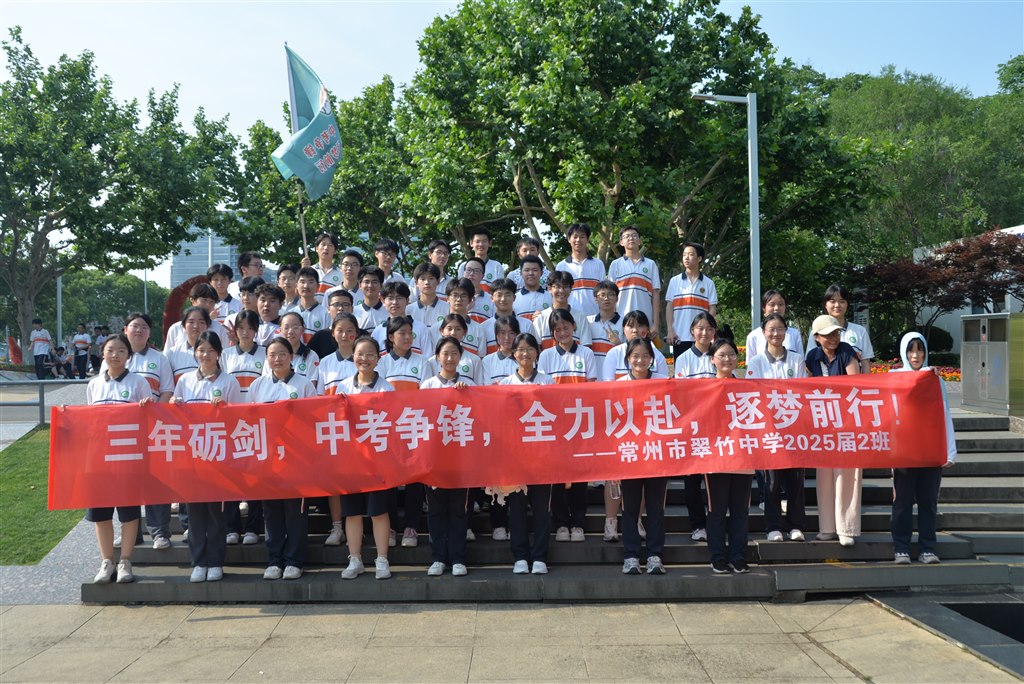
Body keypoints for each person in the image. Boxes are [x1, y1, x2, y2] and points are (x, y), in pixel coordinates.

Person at [172, 331, 242, 582]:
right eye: (201, 350)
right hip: (192, 457)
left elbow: (238, 420)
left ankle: (215, 561)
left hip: (218, 457)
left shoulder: (229, 382)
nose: (206, 355)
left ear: (219, 354)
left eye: (211, 351)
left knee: (216, 513)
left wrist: (224, 409)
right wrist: (173, 405)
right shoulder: (185, 380)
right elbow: (176, 417)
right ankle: (198, 561)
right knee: (195, 514)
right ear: (195, 353)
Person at [86, 333, 153, 584]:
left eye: (121, 351)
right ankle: (107, 561)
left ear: (129, 356)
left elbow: (149, 419)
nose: (115, 355)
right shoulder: (94, 384)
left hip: (127, 458)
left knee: (128, 513)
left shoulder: (138, 383)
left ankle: (125, 560)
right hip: (99, 459)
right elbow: (89, 420)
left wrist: (147, 408)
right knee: (101, 514)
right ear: (102, 353)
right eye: (110, 350)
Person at [249, 337, 318, 580]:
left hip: (296, 459)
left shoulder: (304, 385)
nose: (277, 359)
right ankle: (275, 559)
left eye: (282, 354)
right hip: (268, 459)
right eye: (272, 355)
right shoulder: (258, 386)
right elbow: (249, 421)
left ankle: (294, 561)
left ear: (291, 357)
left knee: (295, 512)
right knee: (272, 511)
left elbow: (314, 419)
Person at [890, 332, 957, 564]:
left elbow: (945, 413)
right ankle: (901, 548)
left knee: (928, 502)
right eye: (910, 350)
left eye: (920, 350)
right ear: (903, 352)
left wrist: (949, 451)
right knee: (902, 502)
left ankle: (927, 548)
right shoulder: (894, 378)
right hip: (905, 453)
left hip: (930, 452)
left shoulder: (935, 379)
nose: (915, 355)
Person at [745, 313, 808, 542]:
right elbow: (753, 393)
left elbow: (801, 392)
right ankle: (773, 526)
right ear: (764, 333)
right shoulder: (756, 362)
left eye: (780, 329)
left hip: (794, 429)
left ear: (786, 332)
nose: (776, 333)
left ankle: (795, 525)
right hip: (768, 430)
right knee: (771, 483)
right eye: (771, 329)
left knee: (795, 481)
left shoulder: (796, 359)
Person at [338, 336, 396, 580]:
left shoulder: (386, 389)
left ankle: (382, 559)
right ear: (353, 356)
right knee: (352, 512)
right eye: (360, 354)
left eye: (370, 354)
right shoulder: (342, 388)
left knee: (378, 511)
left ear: (378, 358)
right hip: (351, 462)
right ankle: (355, 559)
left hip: (377, 462)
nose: (365, 359)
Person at [498, 332, 554, 574]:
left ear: (537, 353)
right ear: (513, 354)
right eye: (520, 349)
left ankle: (540, 556)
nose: (525, 353)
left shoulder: (548, 382)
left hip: (542, 457)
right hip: (515, 459)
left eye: (530, 349)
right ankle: (520, 556)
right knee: (517, 508)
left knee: (542, 509)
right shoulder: (504, 385)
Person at [539, 308, 596, 543]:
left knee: (580, 474)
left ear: (574, 326)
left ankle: (578, 522)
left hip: (579, 421)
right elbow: (542, 391)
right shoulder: (546, 356)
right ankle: (561, 523)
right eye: (557, 329)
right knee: (556, 474)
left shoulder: (586, 353)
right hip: (554, 423)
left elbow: (591, 387)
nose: (562, 332)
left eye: (566, 327)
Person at [805, 314, 863, 546]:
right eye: (828, 335)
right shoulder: (812, 356)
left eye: (836, 333)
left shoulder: (847, 351)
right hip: (822, 423)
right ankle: (827, 527)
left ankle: (846, 528)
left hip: (847, 421)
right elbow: (805, 387)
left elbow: (856, 383)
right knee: (824, 476)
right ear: (817, 337)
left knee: (848, 474)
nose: (833, 338)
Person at [420, 336, 475, 577]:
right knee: (436, 510)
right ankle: (438, 558)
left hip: (461, 458)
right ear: (437, 357)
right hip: (435, 458)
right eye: (445, 353)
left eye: (454, 353)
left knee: (458, 509)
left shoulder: (469, 385)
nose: (450, 358)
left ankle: (458, 558)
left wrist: (466, 394)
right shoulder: (428, 385)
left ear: (460, 356)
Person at [377, 316, 431, 548]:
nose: (407, 337)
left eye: (410, 333)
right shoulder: (382, 362)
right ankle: (389, 527)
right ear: (391, 337)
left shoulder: (422, 362)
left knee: (414, 479)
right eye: (402, 333)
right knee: (389, 479)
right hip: (388, 428)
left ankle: (411, 526)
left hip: (414, 426)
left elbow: (426, 395)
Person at [617, 338, 670, 576]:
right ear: (628, 359)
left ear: (652, 359)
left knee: (656, 508)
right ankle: (630, 556)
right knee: (630, 508)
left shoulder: (663, 382)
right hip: (629, 455)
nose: (640, 360)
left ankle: (655, 555)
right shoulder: (618, 385)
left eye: (645, 355)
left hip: (657, 455)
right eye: (635, 356)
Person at [705, 337, 753, 574]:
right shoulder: (703, 390)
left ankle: (737, 555)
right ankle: (717, 556)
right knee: (717, 510)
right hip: (716, 459)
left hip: (743, 458)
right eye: (722, 355)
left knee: (740, 511)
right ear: (712, 359)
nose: (727, 359)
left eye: (732, 354)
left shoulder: (748, 388)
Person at [221, 309, 267, 546]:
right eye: (241, 328)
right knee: (231, 476)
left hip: (257, 423)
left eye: (250, 328)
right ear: (235, 331)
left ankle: (253, 528)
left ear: (256, 330)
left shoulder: (266, 354)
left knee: (256, 477)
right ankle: (231, 527)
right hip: (231, 423)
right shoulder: (226, 355)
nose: (245, 332)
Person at [673, 312, 718, 543]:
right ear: (692, 331)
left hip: (717, 427)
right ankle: (698, 525)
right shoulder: (684, 358)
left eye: (709, 328)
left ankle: (716, 524)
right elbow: (682, 393)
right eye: (700, 328)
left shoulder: (718, 354)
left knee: (716, 480)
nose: (704, 333)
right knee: (692, 480)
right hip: (692, 427)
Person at [665, 242, 718, 360]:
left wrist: (707, 330)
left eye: (691, 254)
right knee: (681, 369)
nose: (686, 258)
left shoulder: (708, 283)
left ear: (699, 258)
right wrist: (670, 330)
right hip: (679, 336)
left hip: (700, 337)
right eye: (684, 255)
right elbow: (669, 306)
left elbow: (712, 308)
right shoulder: (674, 281)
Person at [607, 225, 661, 332]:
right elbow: (610, 294)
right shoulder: (615, 264)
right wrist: (611, 320)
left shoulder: (651, 264)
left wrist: (655, 324)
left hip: (645, 320)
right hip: (621, 320)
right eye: (627, 236)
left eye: (634, 235)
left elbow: (656, 294)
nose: (631, 238)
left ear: (640, 241)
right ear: (621, 242)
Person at [813, 284, 874, 374]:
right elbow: (811, 362)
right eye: (832, 301)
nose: (837, 305)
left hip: (853, 381)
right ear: (825, 304)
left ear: (847, 304)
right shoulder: (817, 332)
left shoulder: (860, 331)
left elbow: (865, 362)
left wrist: (866, 382)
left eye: (842, 301)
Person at [530, 271, 592, 350]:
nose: (562, 291)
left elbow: (586, 347)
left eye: (565, 286)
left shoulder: (580, 317)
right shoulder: (540, 318)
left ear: (571, 289)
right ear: (549, 289)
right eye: (557, 287)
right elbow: (536, 347)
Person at [600, 311, 669, 382]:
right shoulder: (614, 353)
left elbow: (663, 384)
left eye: (640, 326)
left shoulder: (658, 356)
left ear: (647, 329)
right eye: (631, 326)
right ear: (623, 329)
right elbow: (608, 383)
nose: (635, 330)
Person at [556, 223, 605, 318]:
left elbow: (603, 292)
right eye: (575, 237)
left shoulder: (598, 264)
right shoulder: (561, 266)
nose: (578, 240)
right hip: (569, 318)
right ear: (569, 239)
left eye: (582, 237)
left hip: (594, 317)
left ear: (588, 240)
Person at [372, 282, 435, 357]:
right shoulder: (377, 332)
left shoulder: (421, 328)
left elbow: (428, 357)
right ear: (383, 301)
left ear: (407, 300)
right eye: (390, 298)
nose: (395, 302)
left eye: (399, 298)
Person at [263, 312, 320, 389]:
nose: (290, 332)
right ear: (280, 330)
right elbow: (266, 384)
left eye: (295, 327)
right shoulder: (272, 355)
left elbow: (311, 387)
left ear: (303, 329)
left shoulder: (311, 356)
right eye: (286, 328)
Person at [165, 283, 229, 350]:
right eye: (204, 300)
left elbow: (225, 353)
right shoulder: (176, 328)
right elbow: (168, 354)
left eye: (212, 302)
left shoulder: (219, 328)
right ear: (192, 300)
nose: (208, 305)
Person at [744, 290, 804, 359]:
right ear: (764, 308)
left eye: (780, 304)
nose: (776, 308)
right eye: (772, 305)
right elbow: (751, 364)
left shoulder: (794, 334)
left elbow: (801, 361)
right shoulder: (753, 336)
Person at [586, 280, 624, 378]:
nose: (606, 298)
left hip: (614, 378)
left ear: (617, 299)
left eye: (611, 295)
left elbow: (631, 352)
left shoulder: (624, 323)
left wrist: (618, 344)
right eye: (602, 295)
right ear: (596, 299)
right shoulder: (587, 322)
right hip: (592, 378)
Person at [443, 279, 486, 358]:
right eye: (455, 295)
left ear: (470, 300)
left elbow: (481, 358)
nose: (459, 299)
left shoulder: (478, 329)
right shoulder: (437, 328)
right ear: (448, 298)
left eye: (463, 296)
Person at [307, 290, 354, 359]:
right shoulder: (319, 337)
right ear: (328, 309)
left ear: (352, 309)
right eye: (336, 305)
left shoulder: (361, 335)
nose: (340, 308)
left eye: (345, 305)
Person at [457, 227, 505, 293]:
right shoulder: (463, 266)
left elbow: (500, 291)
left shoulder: (496, 266)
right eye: (477, 241)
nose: (481, 244)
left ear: (490, 243)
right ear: (471, 243)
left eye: (484, 241)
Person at [407, 262, 449, 332]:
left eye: (431, 278)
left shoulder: (448, 309)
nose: (427, 282)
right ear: (416, 283)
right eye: (423, 279)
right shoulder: (408, 310)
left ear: (438, 281)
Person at [302, 232, 344, 301]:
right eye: (323, 244)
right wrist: (303, 272)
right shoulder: (309, 271)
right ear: (316, 248)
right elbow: (297, 293)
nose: (326, 248)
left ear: (335, 251)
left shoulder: (341, 273)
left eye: (330, 245)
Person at [294, 267, 332, 342]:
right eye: (302, 282)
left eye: (311, 282)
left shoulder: (326, 314)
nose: (306, 286)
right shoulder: (291, 313)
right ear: (296, 286)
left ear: (317, 286)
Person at [511, 255, 552, 325]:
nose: (531, 273)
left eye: (535, 270)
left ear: (541, 273)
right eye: (527, 270)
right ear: (521, 273)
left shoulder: (551, 297)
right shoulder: (514, 299)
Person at [355, 265, 389, 331]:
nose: (370, 285)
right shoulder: (354, 312)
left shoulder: (389, 311)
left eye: (374, 282)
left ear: (381, 285)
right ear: (360, 285)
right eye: (366, 282)